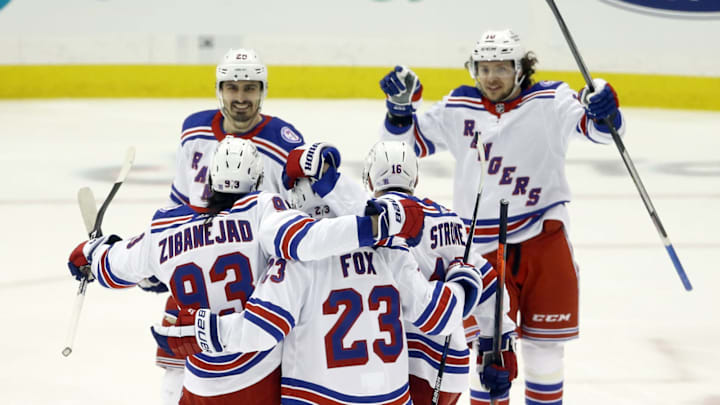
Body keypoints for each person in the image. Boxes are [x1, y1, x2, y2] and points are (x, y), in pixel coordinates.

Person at [67, 138, 425, 404]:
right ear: (256, 181)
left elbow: (114, 267)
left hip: (198, 381)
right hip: (257, 378)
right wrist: (373, 228)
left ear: (209, 182)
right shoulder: (262, 209)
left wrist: (92, 252)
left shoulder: (164, 229)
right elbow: (303, 240)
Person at [377, 30, 626, 404]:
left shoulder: (551, 99)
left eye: (502, 68)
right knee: (487, 353)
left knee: (545, 352)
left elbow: (602, 132)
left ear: (520, 69)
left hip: (544, 238)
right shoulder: (458, 105)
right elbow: (403, 147)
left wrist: (604, 110)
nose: (491, 77)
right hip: (481, 250)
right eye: (484, 68)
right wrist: (398, 112)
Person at [150, 175, 486, 405]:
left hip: (315, 397)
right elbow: (437, 317)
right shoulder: (390, 250)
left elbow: (258, 332)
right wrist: (463, 280)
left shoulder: (293, 263)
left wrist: (204, 331)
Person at [283, 139, 519, 404]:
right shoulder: (449, 219)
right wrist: (498, 344)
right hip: (449, 362)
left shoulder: (375, 219)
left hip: (398, 361)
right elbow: (487, 283)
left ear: (370, 181)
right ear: (415, 178)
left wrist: (325, 178)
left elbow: (358, 208)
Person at [157, 47, 311, 404]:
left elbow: (299, 217)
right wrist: (160, 254)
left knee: (263, 369)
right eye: (232, 88)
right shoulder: (193, 129)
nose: (241, 98)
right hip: (195, 266)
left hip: (253, 280)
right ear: (219, 90)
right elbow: (179, 202)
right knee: (177, 367)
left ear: (263, 90)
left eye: (250, 88)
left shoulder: (284, 143)